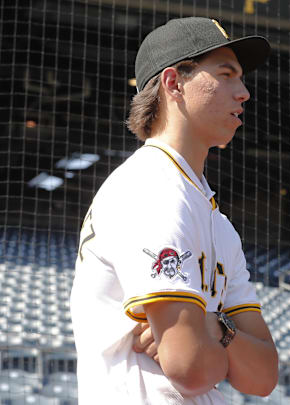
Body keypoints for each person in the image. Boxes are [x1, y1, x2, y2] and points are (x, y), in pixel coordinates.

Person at [70, 17, 278, 404]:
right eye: (226, 74)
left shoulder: (211, 215)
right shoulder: (152, 187)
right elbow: (192, 368)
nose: (244, 92)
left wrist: (215, 328)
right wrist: (217, 341)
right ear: (173, 83)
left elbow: (263, 376)